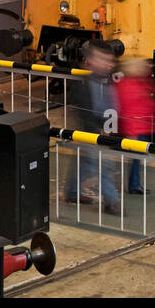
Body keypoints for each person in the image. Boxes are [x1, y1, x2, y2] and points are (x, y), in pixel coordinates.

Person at [64, 39, 122, 214]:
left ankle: (73, 192)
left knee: (84, 161)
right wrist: (94, 131)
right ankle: (112, 201)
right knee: (103, 165)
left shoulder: (109, 80)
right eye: (102, 60)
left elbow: (111, 104)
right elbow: (84, 110)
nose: (107, 64)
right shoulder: (82, 83)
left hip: (103, 127)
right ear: (89, 61)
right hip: (90, 130)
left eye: (109, 60)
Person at [116, 58, 155, 195]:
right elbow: (127, 110)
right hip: (136, 129)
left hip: (143, 126)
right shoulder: (128, 85)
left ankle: (135, 184)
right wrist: (131, 131)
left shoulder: (141, 82)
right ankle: (134, 185)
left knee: (138, 158)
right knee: (136, 158)